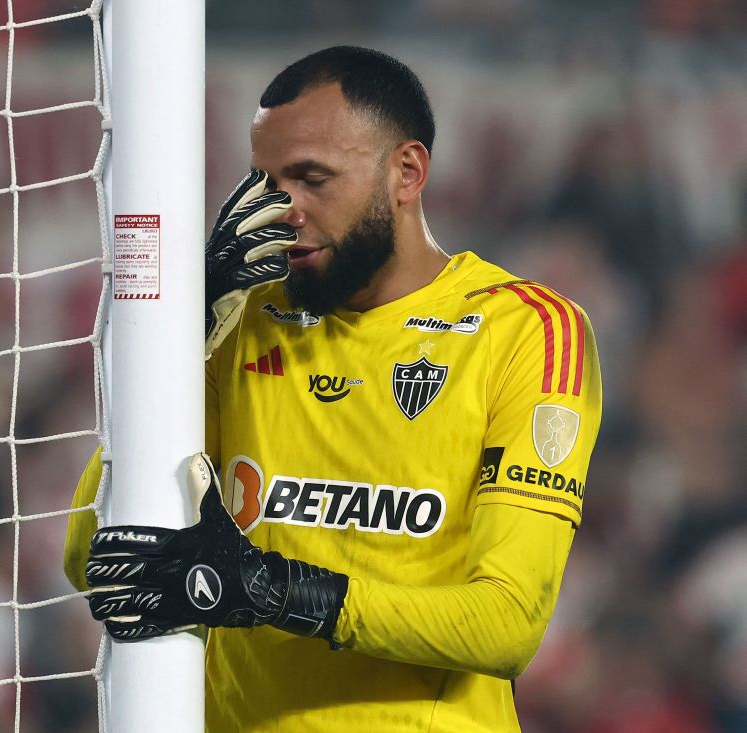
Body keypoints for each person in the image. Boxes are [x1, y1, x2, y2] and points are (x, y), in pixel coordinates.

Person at [64, 46, 602, 732]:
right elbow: (95, 557)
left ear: (406, 172)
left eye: (313, 179)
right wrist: (182, 332)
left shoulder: (526, 331)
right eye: (265, 184)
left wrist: (274, 590)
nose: (282, 210)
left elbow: (506, 624)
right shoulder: (238, 324)